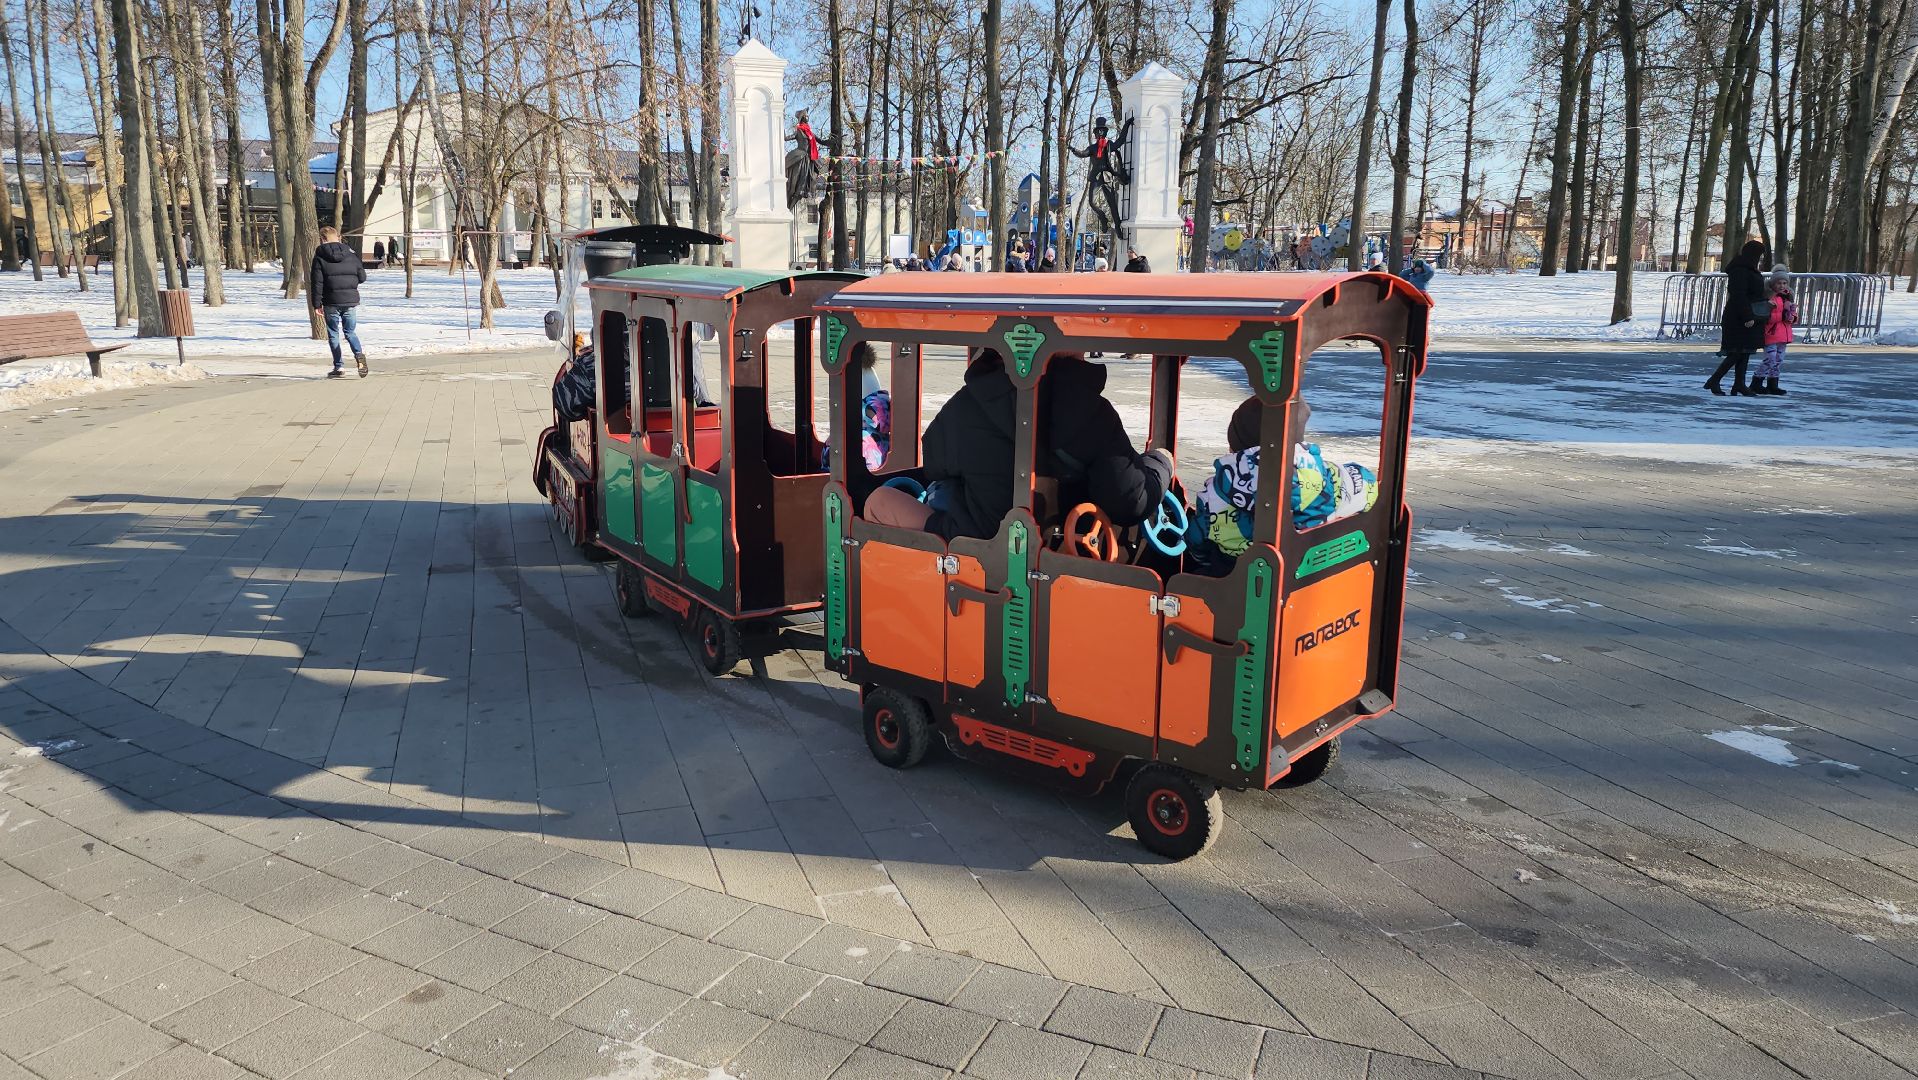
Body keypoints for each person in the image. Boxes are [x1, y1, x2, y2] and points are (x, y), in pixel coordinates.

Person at [863, 349, 1173, 540]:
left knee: (878, 500)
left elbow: (934, 461)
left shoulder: (969, 402)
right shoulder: (1096, 414)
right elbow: (1130, 501)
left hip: (971, 543)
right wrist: (1161, 461)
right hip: (1060, 552)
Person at [1185, 399, 1378, 577]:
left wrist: (1197, 553)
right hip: (1312, 577)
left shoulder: (1215, 496)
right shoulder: (1332, 479)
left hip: (1240, 587)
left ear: (1236, 447)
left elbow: (1196, 539)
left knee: (1187, 580)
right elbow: (1367, 484)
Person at [1706, 239, 1769, 396]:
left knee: (1744, 351)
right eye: (1759, 255)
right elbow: (1739, 295)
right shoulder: (1740, 270)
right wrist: (1748, 316)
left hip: (1745, 314)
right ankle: (1715, 380)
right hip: (1739, 317)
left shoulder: (1747, 269)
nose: (1760, 259)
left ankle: (1739, 384)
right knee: (1737, 352)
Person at [308, 225, 368, 379]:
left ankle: (339, 366)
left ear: (322, 239)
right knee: (350, 332)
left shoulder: (320, 257)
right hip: (350, 300)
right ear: (338, 237)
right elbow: (362, 277)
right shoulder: (351, 255)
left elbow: (317, 283)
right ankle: (359, 355)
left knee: (334, 334)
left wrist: (316, 304)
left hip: (331, 302)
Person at [1754, 266, 1798, 396]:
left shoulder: (1787, 297)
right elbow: (1765, 316)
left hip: (1783, 333)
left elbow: (1793, 316)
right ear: (1773, 284)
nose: (1782, 285)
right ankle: (1757, 381)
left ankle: (1773, 384)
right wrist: (1773, 310)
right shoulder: (1769, 297)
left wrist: (1791, 316)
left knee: (1778, 359)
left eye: (1784, 283)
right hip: (1770, 332)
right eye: (1779, 283)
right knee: (1770, 358)